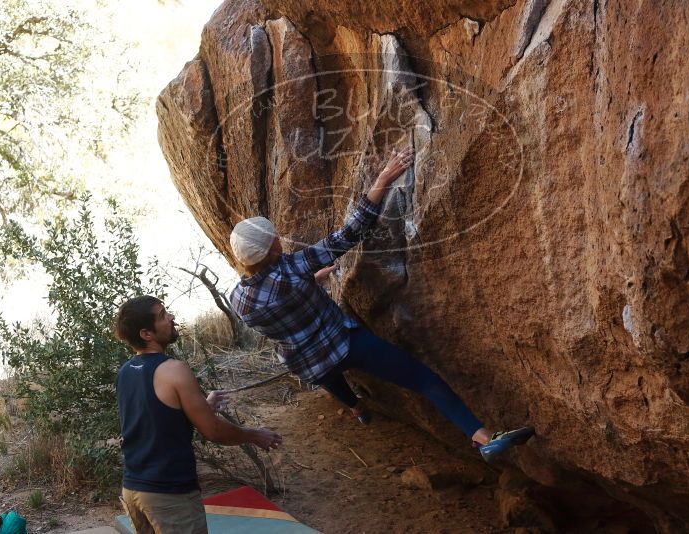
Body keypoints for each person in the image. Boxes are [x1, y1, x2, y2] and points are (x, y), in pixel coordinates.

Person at [228, 147, 533, 462]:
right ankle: (483, 438)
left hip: (307, 362)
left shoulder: (239, 299)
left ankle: (356, 408)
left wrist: (315, 278)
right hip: (346, 345)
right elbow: (349, 234)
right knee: (424, 379)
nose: (278, 237)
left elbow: (283, 305)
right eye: (273, 237)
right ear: (271, 246)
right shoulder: (294, 268)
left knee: (327, 373)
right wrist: (384, 177)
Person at [114, 296, 282, 534]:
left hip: (133, 489)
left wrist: (202, 406)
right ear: (146, 334)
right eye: (162, 316)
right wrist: (253, 435)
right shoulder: (173, 369)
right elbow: (212, 431)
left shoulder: (125, 372)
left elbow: (154, 419)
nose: (171, 318)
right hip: (168, 495)